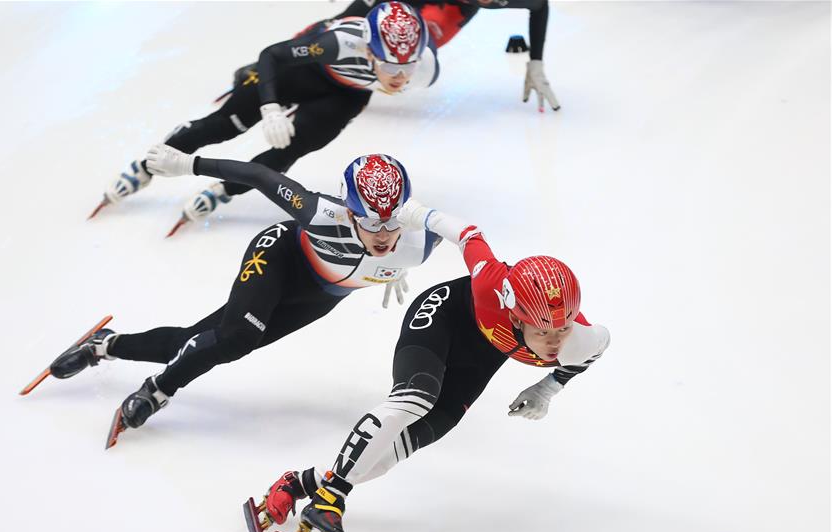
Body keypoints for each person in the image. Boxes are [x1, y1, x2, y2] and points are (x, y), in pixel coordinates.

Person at [251, 201, 609, 532]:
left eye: (563, 329)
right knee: (415, 397)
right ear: (515, 317)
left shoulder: (579, 341)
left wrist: (546, 388)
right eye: (544, 332)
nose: (555, 342)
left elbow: (595, 350)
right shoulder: (489, 282)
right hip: (444, 316)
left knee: (395, 451)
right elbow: (468, 235)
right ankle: (332, 497)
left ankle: (299, 484)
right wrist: (417, 214)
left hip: (479, 360)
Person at [51, 144, 441, 447]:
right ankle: (157, 391)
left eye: (392, 222)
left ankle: (105, 345)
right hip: (278, 255)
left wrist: (393, 267)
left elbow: (474, 242)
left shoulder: (420, 240)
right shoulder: (319, 212)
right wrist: (188, 164)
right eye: (371, 222)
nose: (383, 234)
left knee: (200, 342)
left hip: (316, 298)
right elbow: (258, 174)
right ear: (350, 211)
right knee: (236, 339)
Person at [91, 1, 439, 236]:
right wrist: (270, 106)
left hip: (344, 95)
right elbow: (272, 55)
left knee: (291, 148)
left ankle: (224, 190)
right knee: (225, 125)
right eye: (391, 66)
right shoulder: (338, 44)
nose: (399, 78)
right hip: (299, 68)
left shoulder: (424, 68)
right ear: (367, 49)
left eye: (407, 68)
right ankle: (145, 167)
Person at [327, 0, 559, 112]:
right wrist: (333, 27)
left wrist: (536, 62)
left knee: (422, 52)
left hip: (453, 10)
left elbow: (539, 6)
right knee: (355, 25)